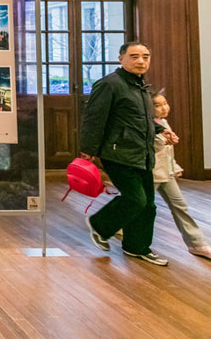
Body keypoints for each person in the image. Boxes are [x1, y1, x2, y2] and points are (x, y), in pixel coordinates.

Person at [79, 41, 168, 266]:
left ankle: (136, 247)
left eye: (145, 56)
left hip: (142, 153)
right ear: (121, 58)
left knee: (148, 204)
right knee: (136, 199)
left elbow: (143, 120)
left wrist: (162, 130)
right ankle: (100, 225)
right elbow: (94, 119)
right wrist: (88, 151)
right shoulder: (109, 84)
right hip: (118, 153)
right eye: (135, 56)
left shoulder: (141, 87)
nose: (141, 61)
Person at [150, 91, 211, 260]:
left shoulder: (164, 123)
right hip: (152, 174)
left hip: (166, 174)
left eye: (165, 103)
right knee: (137, 205)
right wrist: (162, 139)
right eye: (157, 105)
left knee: (180, 206)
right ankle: (114, 226)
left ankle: (197, 243)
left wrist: (174, 166)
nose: (163, 108)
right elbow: (153, 150)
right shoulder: (149, 126)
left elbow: (168, 153)